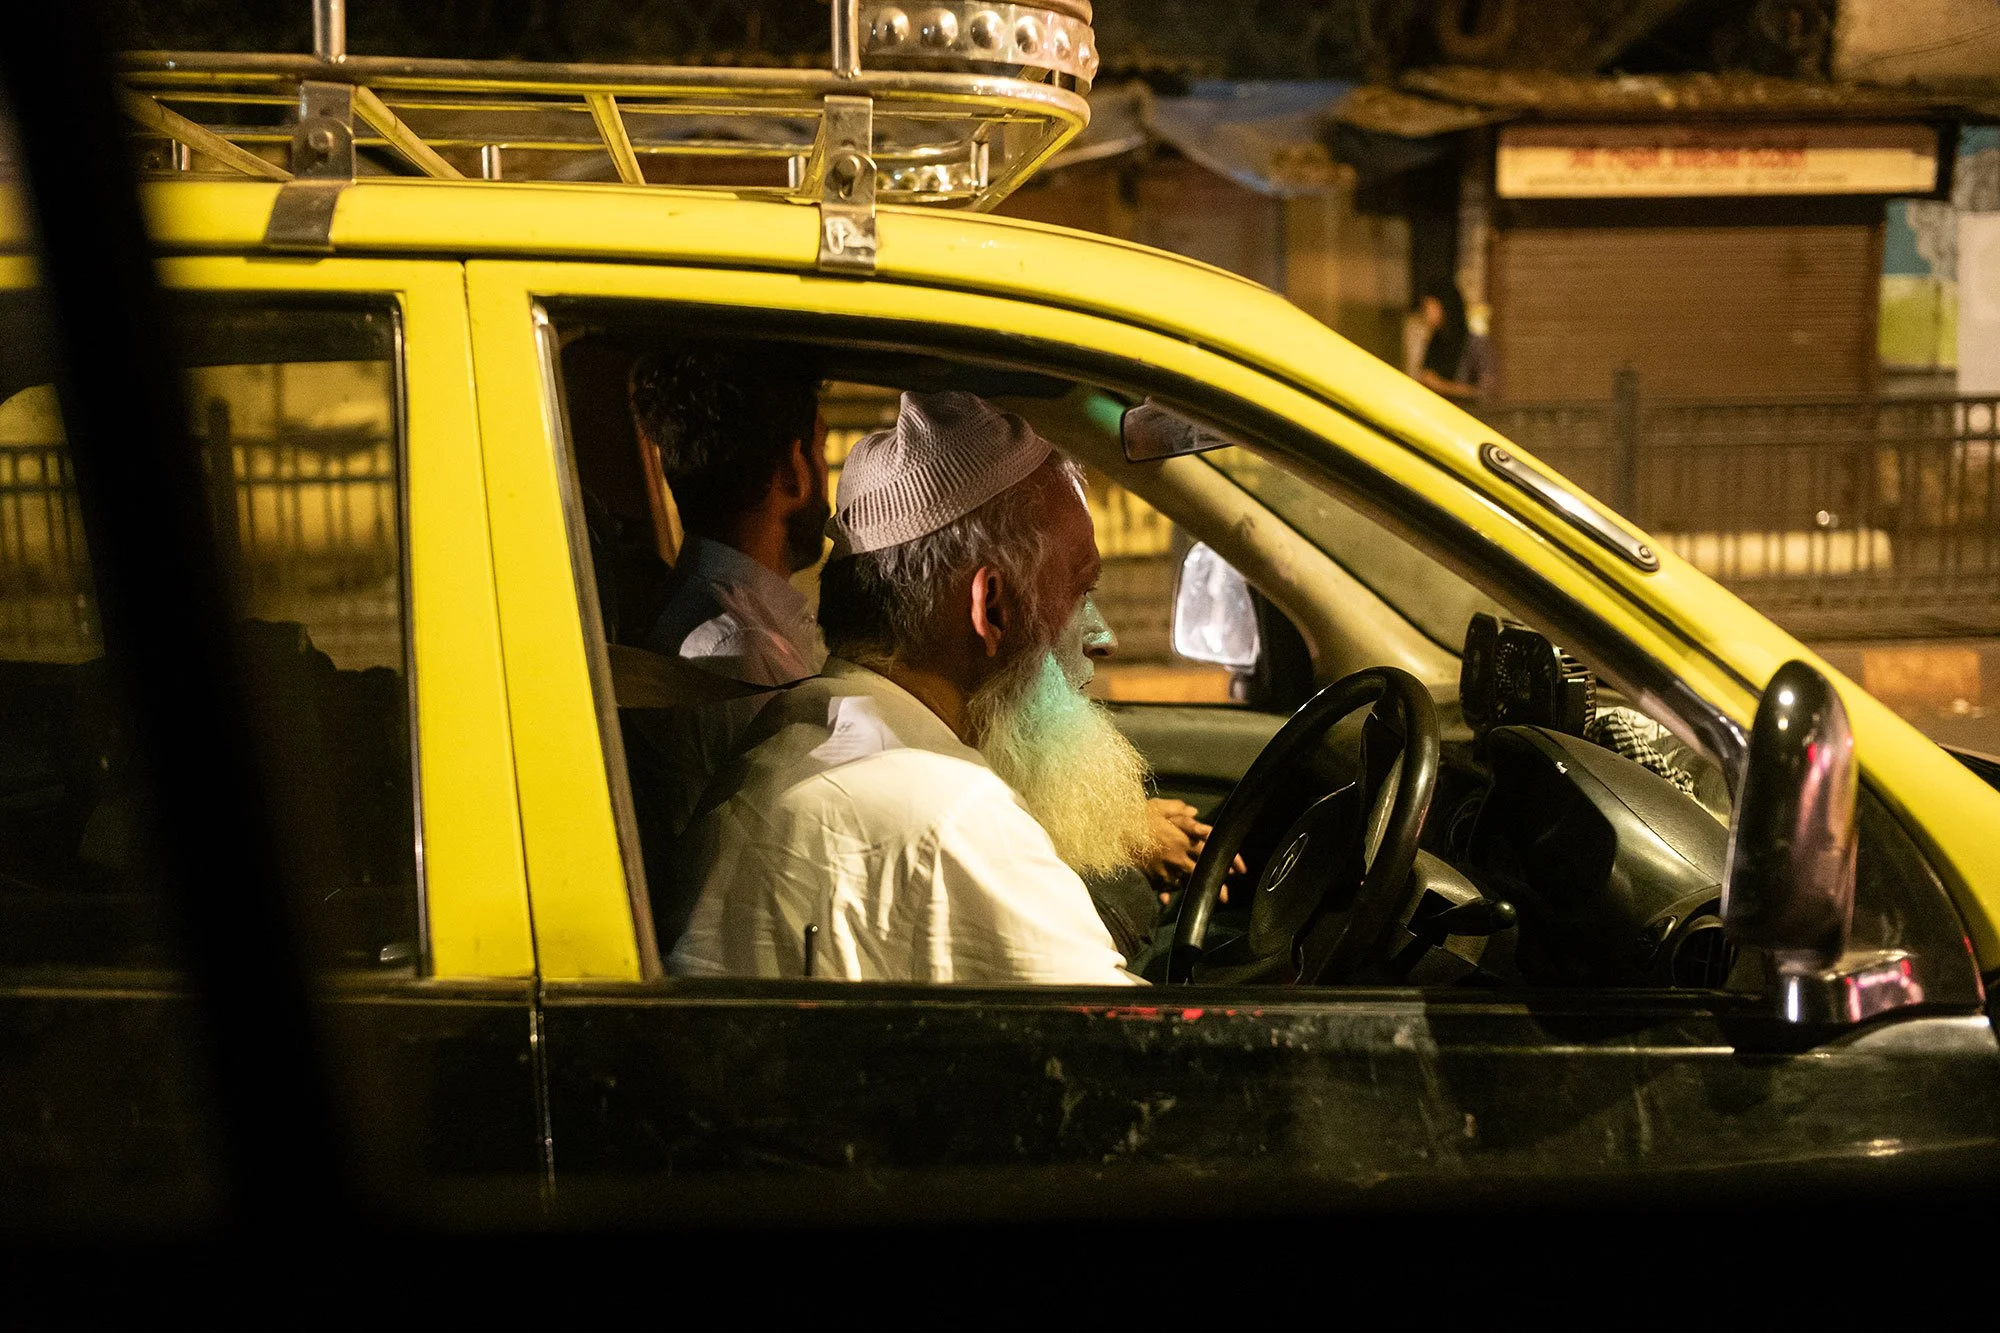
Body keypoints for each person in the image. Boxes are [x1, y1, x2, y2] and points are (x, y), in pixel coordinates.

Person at [669, 391, 1195, 985]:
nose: (1102, 637)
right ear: (991, 606)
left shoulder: (797, 728)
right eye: (1078, 586)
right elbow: (1137, 1057)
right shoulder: (953, 817)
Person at [627, 342, 831, 687]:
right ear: (794, 470)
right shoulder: (740, 650)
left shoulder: (724, 623)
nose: (825, 471)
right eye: (821, 450)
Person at [1413, 284, 1483, 401]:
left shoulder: (1474, 344)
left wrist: (1441, 386)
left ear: (1445, 307)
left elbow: (1486, 391)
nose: (1426, 313)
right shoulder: (1435, 341)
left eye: (1430, 307)